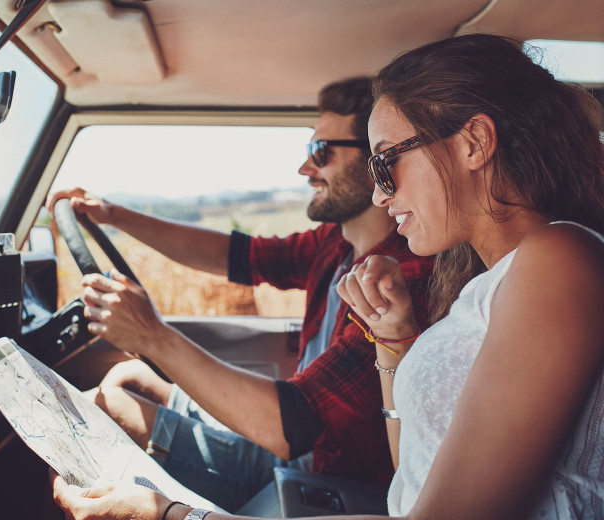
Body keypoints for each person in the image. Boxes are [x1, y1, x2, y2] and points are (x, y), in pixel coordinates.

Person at [51, 33, 604, 520]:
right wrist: (394, 342)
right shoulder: (481, 281)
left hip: (325, 472)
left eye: (385, 161)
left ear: (473, 143)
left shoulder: (555, 257)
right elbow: (411, 470)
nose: (380, 189)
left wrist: (173, 516)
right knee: (120, 388)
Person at [48, 77, 434, 511]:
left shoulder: (399, 279)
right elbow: (234, 254)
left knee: (102, 407)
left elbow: (293, 428)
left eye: (320, 153)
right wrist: (114, 215)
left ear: (373, 161)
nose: (306, 169)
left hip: (320, 474)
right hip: (300, 444)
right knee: (123, 379)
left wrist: (152, 335)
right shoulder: (335, 244)